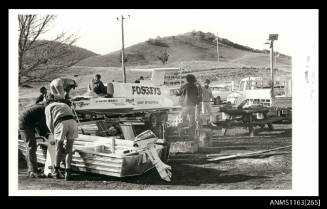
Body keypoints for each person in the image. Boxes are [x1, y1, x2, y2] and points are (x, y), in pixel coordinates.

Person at [44, 94, 78, 181]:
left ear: (47, 102)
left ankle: (56, 170)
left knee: (58, 148)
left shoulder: (48, 107)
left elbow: (49, 123)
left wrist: (53, 133)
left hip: (61, 123)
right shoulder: (64, 104)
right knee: (69, 148)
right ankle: (68, 171)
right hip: (73, 122)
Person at [19, 104, 49, 178]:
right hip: (25, 124)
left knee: (30, 147)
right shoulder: (44, 111)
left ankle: (31, 169)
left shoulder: (42, 107)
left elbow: (40, 126)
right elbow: (42, 128)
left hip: (25, 121)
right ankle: (34, 171)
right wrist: (48, 137)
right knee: (31, 147)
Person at [176, 74, 199, 141]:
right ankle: (191, 136)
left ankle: (181, 135)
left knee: (182, 120)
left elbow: (178, 93)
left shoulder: (184, 86)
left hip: (185, 105)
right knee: (192, 121)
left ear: (187, 79)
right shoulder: (195, 87)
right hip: (192, 106)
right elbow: (197, 95)